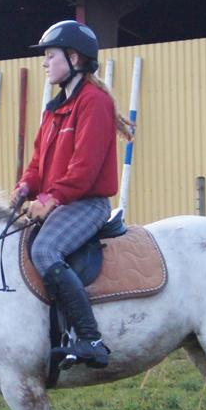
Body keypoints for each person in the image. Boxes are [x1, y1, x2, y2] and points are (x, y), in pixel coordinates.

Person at [12, 20, 133, 369]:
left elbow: (84, 169)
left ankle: (90, 339)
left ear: (75, 59)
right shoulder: (54, 110)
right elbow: (38, 164)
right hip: (60, 204)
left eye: (51, 56)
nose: (45, 63)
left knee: (45, 250)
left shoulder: (94, 102)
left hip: (86, 204)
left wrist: (48, 200)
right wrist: (24, 189)